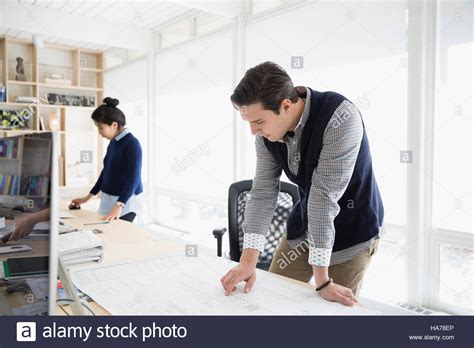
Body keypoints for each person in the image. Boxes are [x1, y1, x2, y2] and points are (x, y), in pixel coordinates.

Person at [220, 62, 384, 307]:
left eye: (259, 121)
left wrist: (323, 282)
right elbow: (263, 192)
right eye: (249, 122)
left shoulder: (340, 119)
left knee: (332, 315)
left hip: (352, 232)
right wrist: (247, 261)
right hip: (305, 226)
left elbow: (323, 198)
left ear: (286, 105)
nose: (253, 131)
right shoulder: (267, 136)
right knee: (272, 302)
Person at [71, 97, 143, 221]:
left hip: (125, 204)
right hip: (109, 200)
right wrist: (87, 198)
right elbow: (106, 172)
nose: (99, 132)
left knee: (118, 237)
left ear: (114, 125)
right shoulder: (114, 142)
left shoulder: (132, 144)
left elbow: (134, 178)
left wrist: (119, 204)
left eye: (100, 127)